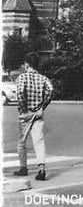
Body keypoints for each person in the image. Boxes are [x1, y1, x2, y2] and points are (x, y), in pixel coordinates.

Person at [14, 52, 53, 181]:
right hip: (38, 113)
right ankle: (41, 168)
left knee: (21, 142)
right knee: (39, 141)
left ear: (27, 64)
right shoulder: (43, 79)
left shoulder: (22, 77)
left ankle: (23, 168)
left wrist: (22, 108)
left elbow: (20, 93)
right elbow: (51, 91)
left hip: (26, 113)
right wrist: (42, 106)